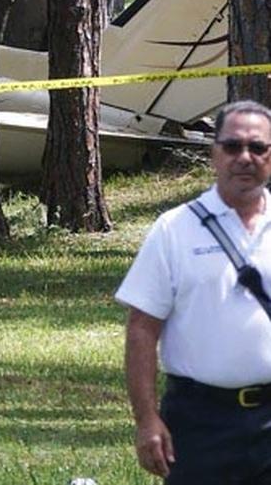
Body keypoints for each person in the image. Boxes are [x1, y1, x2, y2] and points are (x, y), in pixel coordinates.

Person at [116, 99, 271, 484]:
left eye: (258, 147)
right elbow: (141, 328)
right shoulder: (174, 229)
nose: (245, 157)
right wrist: (147, 419)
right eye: (232, 146)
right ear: (214, 153)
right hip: (200, 421)